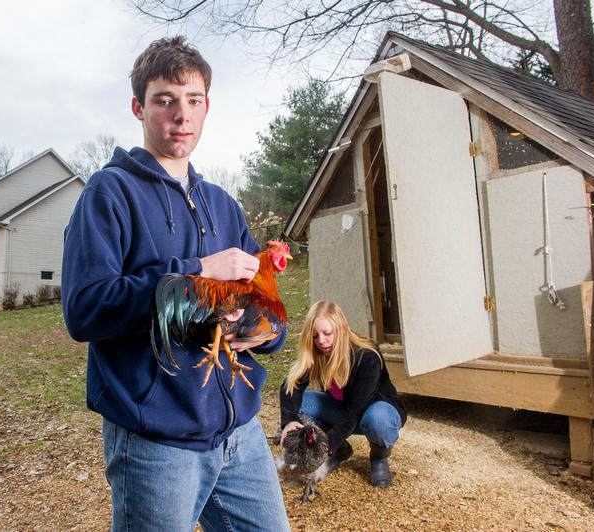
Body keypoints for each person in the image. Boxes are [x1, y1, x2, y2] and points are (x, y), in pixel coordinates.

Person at [61, 36, 289, 531]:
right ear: (139, 107)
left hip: (239, 433)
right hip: (156, 439)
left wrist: (260, 328)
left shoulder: (223, 204)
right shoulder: (109, 193)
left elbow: (264, 304)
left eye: (194, 101)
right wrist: (196, 271)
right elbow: (84, 310)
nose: (181, 116)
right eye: (165, 100)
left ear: (208, 108)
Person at [279, 300, 407, 487]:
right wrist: (289, 421)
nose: (321, 341)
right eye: (315, 336)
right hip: (344, 412)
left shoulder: (366, 356)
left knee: (379, 419)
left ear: (343, 328)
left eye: (327, 333)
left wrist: (326, 446)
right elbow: (291, 385)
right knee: (301, 403)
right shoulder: (319, 352)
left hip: (370, 413)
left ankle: (379, 456)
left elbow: (356, 411)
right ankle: (340, 450)